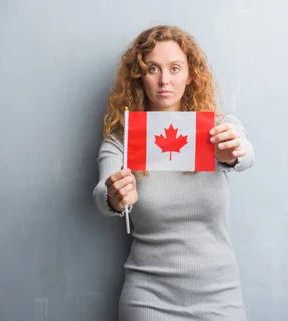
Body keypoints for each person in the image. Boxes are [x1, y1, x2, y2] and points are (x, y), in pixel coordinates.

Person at [92, 25, 255, 321]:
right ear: (139, 76)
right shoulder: (122, 139)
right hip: (149, 298)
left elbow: (246, 155)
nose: (164, 80)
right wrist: (115, 197)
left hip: (220, 296)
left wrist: (234, 153)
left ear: (190, 74)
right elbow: (103, 192)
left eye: (175, 68)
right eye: (153, 69)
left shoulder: (217, 129)